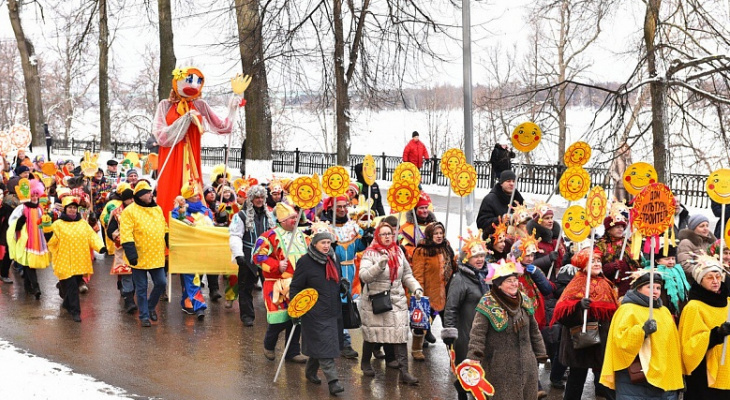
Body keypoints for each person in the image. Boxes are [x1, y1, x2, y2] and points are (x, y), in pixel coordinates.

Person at [466, 257, 548, 400]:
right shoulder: (488, 303)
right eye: (509, 281)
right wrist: (474, 357)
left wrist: (540, 353)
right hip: (499, 366)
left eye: (515, 280)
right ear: (499, 284)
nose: (514, 283)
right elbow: (478, 333)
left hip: (527, 365)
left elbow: (534, 330)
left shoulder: (524, 300)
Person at [600, 270, 683, 400]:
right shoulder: (627, 309)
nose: (655, 291)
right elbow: (619, 340)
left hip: (663, 373)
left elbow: (672, 345)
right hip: (636, 376)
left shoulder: (664, 311)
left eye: (658, 288)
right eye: (650, 287)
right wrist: (642, 331)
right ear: (638, 288)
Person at [358, 221, 423, 384]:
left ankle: (404, 372)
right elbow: (364, 276)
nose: (387, 237)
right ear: (377, 236)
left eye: (390, 234)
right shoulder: (370, 253)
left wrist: (416, 288)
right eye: (383, 234)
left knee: (400, 334)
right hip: (376, 299)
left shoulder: (398, 252)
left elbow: (407, 274)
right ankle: (365, 361)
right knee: (373, 334)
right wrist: (379, 266)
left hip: (397, 298)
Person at [551, 247, 619, 400]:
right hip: (580, 340)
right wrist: (578, 307)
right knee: (576, 379)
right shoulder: (577, 282)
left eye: (598, 261)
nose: (597, 264)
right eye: (592, 261)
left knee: (604, 380)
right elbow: (562, 314)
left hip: (601, 340)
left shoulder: (605, 283)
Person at [289, 222, 346, 396]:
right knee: (325, 345)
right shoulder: (305, 262)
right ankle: (333, 381)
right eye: (323, 243)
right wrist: (295, 309)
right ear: (314, 244)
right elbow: (295, 287)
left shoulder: (332, 258)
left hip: (333, 309)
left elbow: (337, 278)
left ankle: (310, 370)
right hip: (314, 312)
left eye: (328, 243)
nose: (326, 246)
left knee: (323, 344)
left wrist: (342, 285)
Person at [252, 202, 308, 363]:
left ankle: (292, 351)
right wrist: (277, 265)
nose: (295, 220)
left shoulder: (302, 236)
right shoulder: (268, 236)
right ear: (282, 221)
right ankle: (269, 345)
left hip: (298, 284)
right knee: (279, 319)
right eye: (292, 218)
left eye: (296, 217)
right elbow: (257, 257)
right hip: (278, 284)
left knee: (296, 318)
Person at [442, 229, 489, 400]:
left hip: (483, 332)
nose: (480, 260)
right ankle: (462, 395)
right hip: (465, 333)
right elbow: (451, 307)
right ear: (467, 258)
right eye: (476, 256)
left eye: (482, 256)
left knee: (482, 371)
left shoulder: (486, 277)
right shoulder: (459, 279)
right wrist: (449, 332)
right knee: (466, 370)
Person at [679, 255, 730, 398]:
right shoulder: (694, 307)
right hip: (703, 374)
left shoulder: (728, 302)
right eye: (709, 277)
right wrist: (716, 334)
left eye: (718, 277)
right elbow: (689, 345)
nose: (715, 281)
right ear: (700, 280)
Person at [320, 195, 365, 359]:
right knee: (334, 306)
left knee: (346, 307)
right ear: (330, 208)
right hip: (332, 271)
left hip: (350, 271)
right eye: (338, 206)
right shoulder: (324, 226)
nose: (342, 209)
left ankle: (341, 339)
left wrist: (366, 239)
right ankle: (342, 341)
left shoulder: (352, 227)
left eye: (345, 206)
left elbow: (358, 246)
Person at [48, 195, 105, 322]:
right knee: (73, 286)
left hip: (80, 260)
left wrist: (100, 247)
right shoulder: (58, 224)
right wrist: (48, 234)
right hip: (64, 260)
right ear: (65, 209)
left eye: (74, 208)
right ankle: (76, 311)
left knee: (75, 283)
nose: (73, 210)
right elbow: (52, 241)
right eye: (70, 208)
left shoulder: (83, 224)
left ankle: (67, 303)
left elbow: (92, 237)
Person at [120, 181, 168, 327]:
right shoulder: (129, 211)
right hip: (138, 256)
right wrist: (131, 253)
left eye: (150, 192)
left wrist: (168, 240)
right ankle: (144, 316)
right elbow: (126, 233)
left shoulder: (157, 209)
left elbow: (164, 226)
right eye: (147, 192)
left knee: (161, 283)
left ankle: (150, 306)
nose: (150, 194)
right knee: (141, 288)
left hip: (156, 255)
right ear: (140, 195)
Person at [410, 221, 456, 361]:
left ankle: (454, 353)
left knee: (450, 324)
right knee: (421, 324)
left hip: (446, 293)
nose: (439, 236)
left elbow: (453, 267)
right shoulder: (422, 250)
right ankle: (416, 349)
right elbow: (418, 273)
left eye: (441, 233)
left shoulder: (446, 247)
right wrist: (419, 293)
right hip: (428, 294)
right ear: (430, 235)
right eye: (436, 233)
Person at [229, 184, 274, 325]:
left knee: (271, 287)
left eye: (262, 197)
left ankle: (273, 315)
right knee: (245, 288)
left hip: (266, 258)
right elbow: (235, 235)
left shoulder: (270, 216)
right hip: (248, 257)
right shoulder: (241, 216)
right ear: (251, 199)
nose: (259, 200)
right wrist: (238, 254)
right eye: (256, 197)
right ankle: (247, 317)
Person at [171, 182, 213, 320]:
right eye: (193, 195)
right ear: (187, 197)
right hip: (186, 251)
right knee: (192, 278)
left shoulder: (205, 210)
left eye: (197, 194)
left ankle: (185, 301)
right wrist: (179, 211)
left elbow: (211, 227)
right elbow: (175, 224)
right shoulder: (180, 211)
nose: (197, 196)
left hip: (202, 251)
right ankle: (199, 306)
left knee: (197, 277)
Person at [7, 178, 51, 299]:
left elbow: (43, 224)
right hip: (25, 240)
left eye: (36, 195)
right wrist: (20, 223)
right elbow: (12, 222)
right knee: (29, 264)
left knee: (29, 263)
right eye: (32, 195)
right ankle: (36, 287)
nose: (35, 197)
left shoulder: (40, 209)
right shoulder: (22, 208)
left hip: (37, 240)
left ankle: (27, 286)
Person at [105, 183, 137, 313]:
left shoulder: (139, 211)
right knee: (127, 274)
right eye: (130, 199)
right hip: (123, 249)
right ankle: (129, 300)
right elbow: (110, 230)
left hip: (139, 248)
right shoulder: (117, 213)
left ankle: (129, 293)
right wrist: (122, 239)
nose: (132, 201)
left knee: (136, 275)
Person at [597, 215, 641, 296]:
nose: (621, 229)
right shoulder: (600, 245)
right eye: (617, 227)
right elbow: (596, 267)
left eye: (622, 227)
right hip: (612, 286)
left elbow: (638, 261)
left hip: (632, 284)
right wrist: (611, 267)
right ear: (609, 229)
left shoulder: (628, 243)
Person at [476, 170, 524, 240]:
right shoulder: (490, 199)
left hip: (514, 240)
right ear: (501, 183)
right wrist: (500, 220)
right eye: (508, 181)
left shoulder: (518, 199)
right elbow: (481, 223)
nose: (512, 184)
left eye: (514, 181)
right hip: (495, 241)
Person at [527, 202, 566, 281]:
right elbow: (530, 264)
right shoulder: (532, 241)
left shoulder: (557, 239)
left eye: (551, 218)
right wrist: (548, 259)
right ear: (539, 221)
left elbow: (564, 259)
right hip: (543, 280)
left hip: (559, 279)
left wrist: (569, 254)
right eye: (547, 218)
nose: (551, 221)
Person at [678, 214, 717, 283]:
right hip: (695, 281)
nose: (706, 228)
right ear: (693, 228)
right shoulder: (686, 243)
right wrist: (705, 273)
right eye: (702, 226)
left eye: (707, 225)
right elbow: (686, 265)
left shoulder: (711, 243)